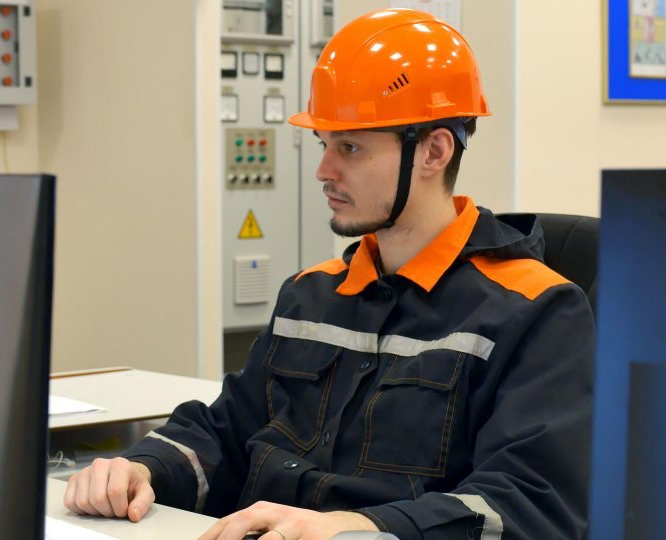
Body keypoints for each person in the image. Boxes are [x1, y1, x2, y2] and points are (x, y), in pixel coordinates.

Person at [63, 8, 594, 540]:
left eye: (351, 147)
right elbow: (227, 431)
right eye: (325, 145)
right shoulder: (309, 294)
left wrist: (353, 527)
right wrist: (143, 468)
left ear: (433, 151)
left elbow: (529, 505)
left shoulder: (536, 310)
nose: (323, 170)